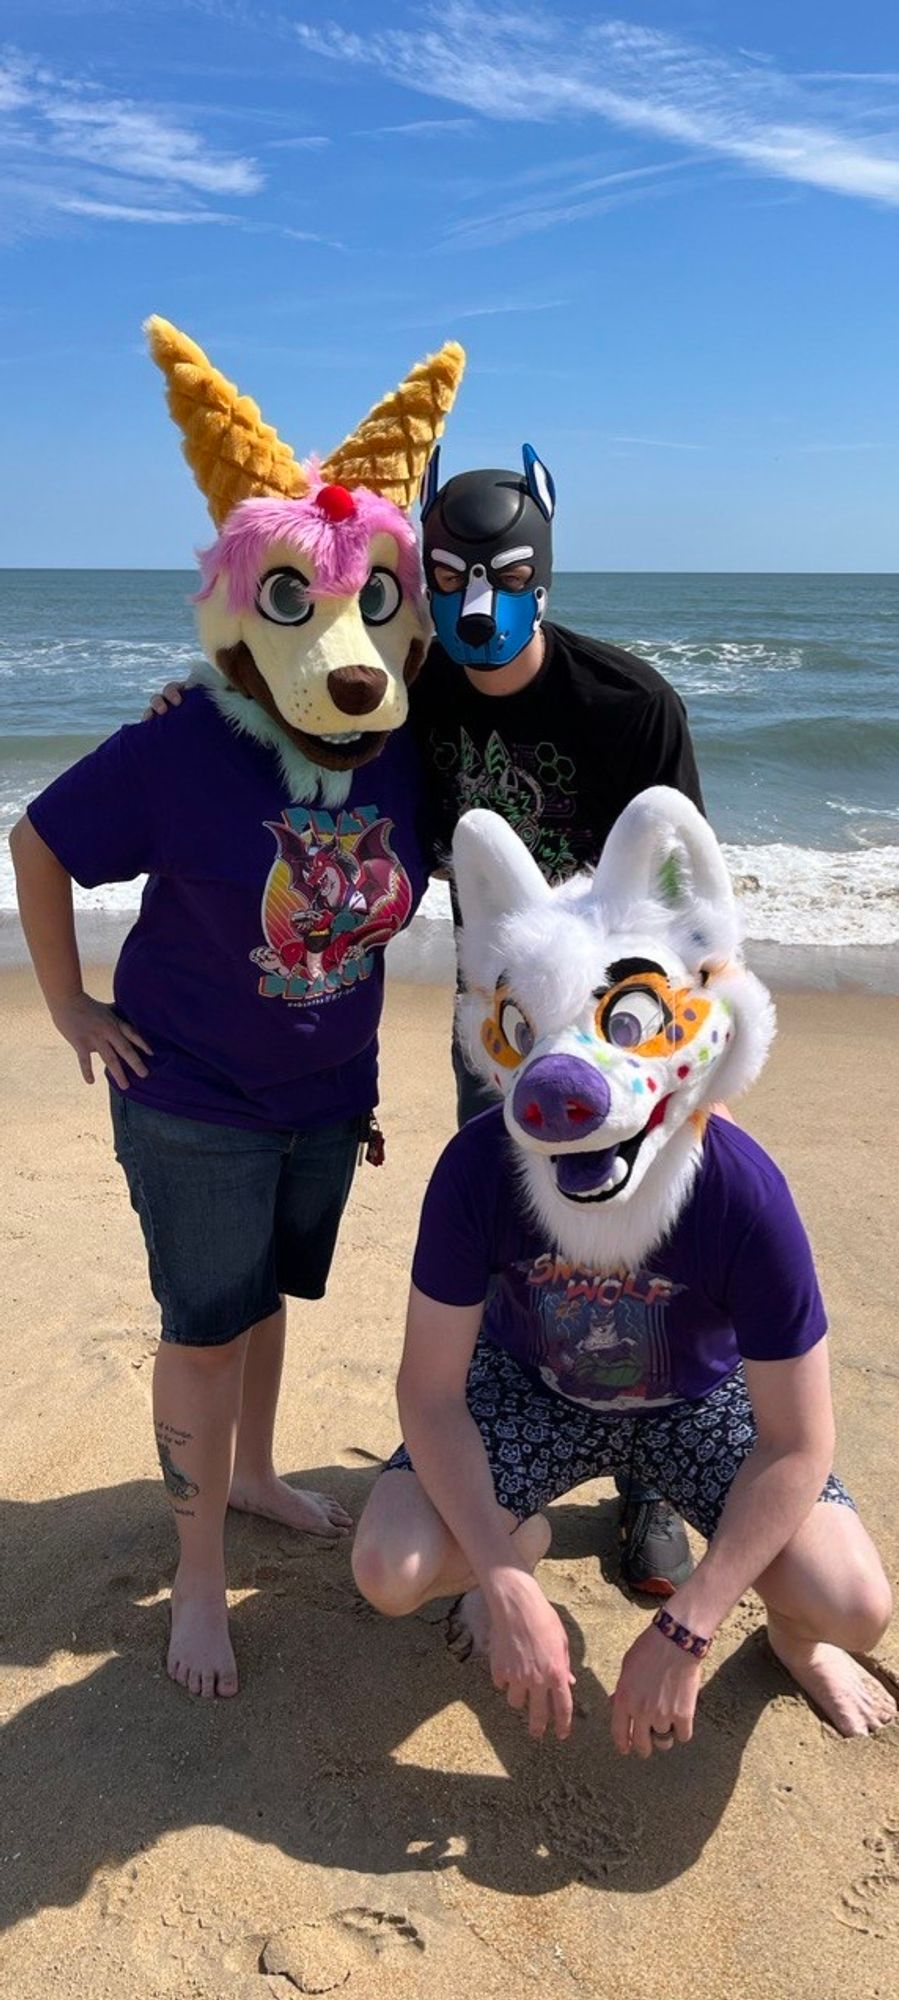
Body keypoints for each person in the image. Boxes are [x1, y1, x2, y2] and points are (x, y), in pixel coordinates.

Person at [149, 440, 705, 1597]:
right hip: (495, 1037)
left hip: (631, 1048)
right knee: (512, 1236)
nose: (473, 604)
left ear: (543, 571)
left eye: (500, 575)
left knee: (638, 1230)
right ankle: (492, 1473)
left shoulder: (631, 706)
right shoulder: (415, 695)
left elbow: (685, 904)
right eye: (446, 578)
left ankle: (645, 1478)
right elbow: (301, 717)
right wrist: (202, 708)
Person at [11, 316, 465, 1700]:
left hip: (325, 1101)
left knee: (265, 1298)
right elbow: (38, 839)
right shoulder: (180, 744)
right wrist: (73, 1010)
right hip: (194, 1095)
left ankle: (257, 1475)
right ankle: (196, 1575)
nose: (343, 648)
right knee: (202, 1327)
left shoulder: (403, 746)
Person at [351, 792, 895, 1748]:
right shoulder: (480, 1169)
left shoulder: (741, 1193)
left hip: (700, 1405)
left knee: (853, 1604)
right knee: (389, 1569)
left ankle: (795, 1644)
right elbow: (430, 1394)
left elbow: (797, 1442)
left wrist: (688, 1627)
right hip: (532, 1392)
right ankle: (509, 1554)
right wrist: (508, 1579)